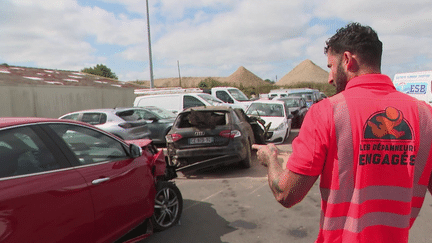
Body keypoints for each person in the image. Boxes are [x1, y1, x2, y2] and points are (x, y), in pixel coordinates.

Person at [257, 22, 432, 243]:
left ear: (348, 60)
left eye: (331, 66)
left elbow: (286, 193)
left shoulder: (326, 112)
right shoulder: (425, 116)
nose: (330, 77)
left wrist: (270, 159)